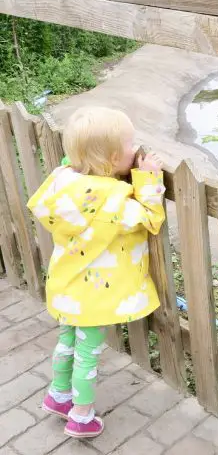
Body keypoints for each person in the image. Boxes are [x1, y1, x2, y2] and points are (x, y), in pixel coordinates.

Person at [26, 107, 165, 439]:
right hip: (93, 297)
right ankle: (81, 416)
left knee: (67, 343)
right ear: (116, 157)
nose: (137, 148)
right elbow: (150, 217)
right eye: (131, 143)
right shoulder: (114, 204)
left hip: (68, 287)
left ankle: (58, 396)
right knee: (88, 353)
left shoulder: (62, 182)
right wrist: (148, 178)